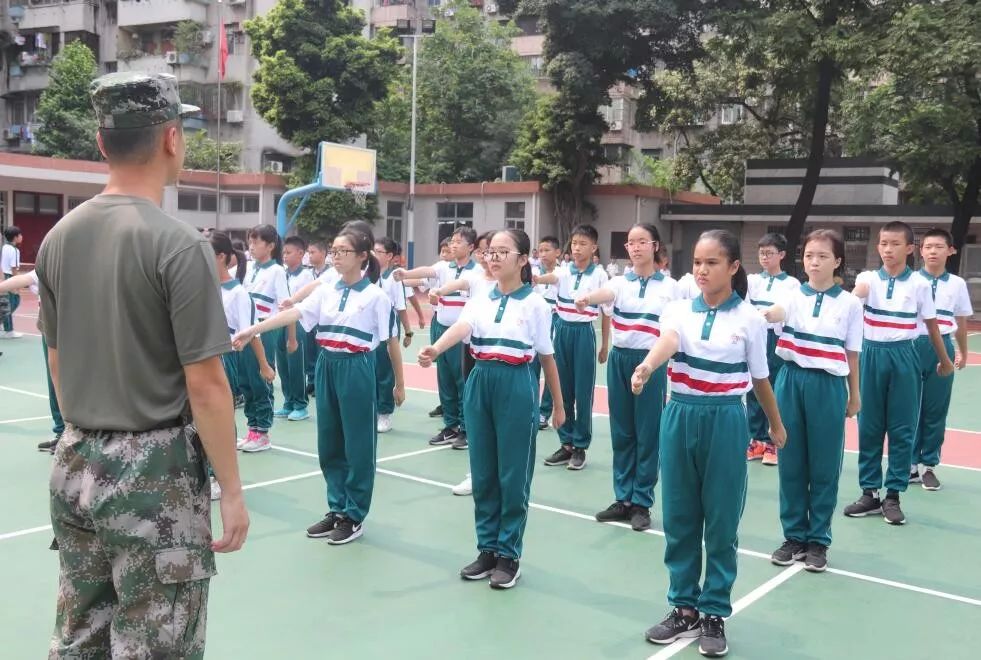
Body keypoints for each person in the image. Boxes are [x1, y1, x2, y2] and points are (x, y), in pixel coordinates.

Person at [36, 72, 248, 658]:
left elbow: (58, 360)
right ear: (173, 139)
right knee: (158, 644)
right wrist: (230, 490)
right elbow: (205, 383)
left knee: (80, 637)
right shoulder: (178, 244)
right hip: (153, 474)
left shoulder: (57, 238)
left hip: (75, 460)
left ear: (102, 144)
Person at [633, 229, 785, 658]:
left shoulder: (751, 319)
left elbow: (760, 378)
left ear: (734, 267)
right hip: (679, 414)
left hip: (725, 419)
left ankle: (714, 611)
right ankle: (683, 608)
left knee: (720, 520)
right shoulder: (678, 310)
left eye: (712, 262)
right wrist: (646, 366)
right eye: (697, 262)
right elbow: (670, 342)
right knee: (680, 516)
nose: (701, 270)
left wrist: (775, 425)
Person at [235, 228, 405, 545]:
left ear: (363, 256)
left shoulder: (375, 297)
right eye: (333, 251)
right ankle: (337, 508)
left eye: (343, 251)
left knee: (358, 444)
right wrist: (252, 330)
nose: (335, 257)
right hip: (328, 364)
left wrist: (399, 384)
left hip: (356, 367)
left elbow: (391, 343)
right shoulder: (327, 289)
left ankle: (354, 515)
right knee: (329, 442)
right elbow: (294, 312)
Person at [418, 229, 564, 589]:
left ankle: (508, 554)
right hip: (480, 381)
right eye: (491, 252)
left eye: (503, 251)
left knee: (512, 475)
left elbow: (547, 358)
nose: (494, 257)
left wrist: (558, 406)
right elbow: (463, 327)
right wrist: (436, 348)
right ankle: (487, 549)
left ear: (522, 259)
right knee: (483, 472)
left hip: (516, 384)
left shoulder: (536, 305)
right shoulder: (481, 296)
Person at [762, 229, 863, 572]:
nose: (814, 261)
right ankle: (794, 536)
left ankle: (818, 540)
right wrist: (761, 316)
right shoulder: (792, 294)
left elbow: (851, 354)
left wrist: (855, 393)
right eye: (808, 255)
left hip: (828, 386)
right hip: (790, 380)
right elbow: (775, 312)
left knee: (823, 466)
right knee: (790, 460)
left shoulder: (850, 303)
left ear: (837, 261)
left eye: (822, 255)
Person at [845, 221, 953, 525]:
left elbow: (931, 327)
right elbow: (852, 308)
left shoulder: (919, 285)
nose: (887, 249)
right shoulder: (867, 279)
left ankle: (893, 495)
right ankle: (869, 493)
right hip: (871, 356)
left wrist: (944, 360)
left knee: (902, 427)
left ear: (909, 249)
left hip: (906, 355)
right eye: (883, 243)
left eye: (894, 244)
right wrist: (858, 293)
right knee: (869, 427)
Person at [575, 224, 677, 532]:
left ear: (655, 245)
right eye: (631, 242)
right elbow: (607, 294)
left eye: (642, 241)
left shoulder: (670, 288)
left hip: (649, 362)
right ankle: (623, 498)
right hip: (620, 359)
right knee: (622, 432)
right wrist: (588, 298)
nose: (635, 247)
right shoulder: (620, 282)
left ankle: (642, 501)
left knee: (648, 433)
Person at [394, 227, 480, 448]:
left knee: (463, 382)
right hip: (442, 330)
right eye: (452, 241)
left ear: (471, 247)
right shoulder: (443, 267)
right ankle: (450, 425)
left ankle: (467, 428)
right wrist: (406, 273)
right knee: (445, 379)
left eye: (459, 242)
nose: (453, 245)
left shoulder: (478, 272)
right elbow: (426, 271)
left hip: (464, 334)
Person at [534, 224, 611, 471]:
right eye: (574, 243)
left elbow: (606, 313)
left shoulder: (599, 275)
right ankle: (565, 443)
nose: (577, 248)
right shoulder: (564, 271)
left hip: (583, 335)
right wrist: (535, 278)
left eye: (583, 244)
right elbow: (553, 278)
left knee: (583, 393)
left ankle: (580, 446)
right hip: (562, 333)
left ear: (594, 248)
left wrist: (604, 345)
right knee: (562, 391)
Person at [211, 232, 275, 499]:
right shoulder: (202, 287)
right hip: (200, 357)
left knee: (221, 419)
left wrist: (264, 365)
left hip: (223, 358)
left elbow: (251, 333)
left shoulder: (238, 293)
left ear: (222, 257)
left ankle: (220, 478)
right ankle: (205, 472)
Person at [911, 228, 972, 491]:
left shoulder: (957, 284)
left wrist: (963, 352)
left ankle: (929, 466)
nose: (933, 251)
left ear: (951, 250)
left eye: (938, 246)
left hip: (942, 347)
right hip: (912, 347)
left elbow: (960, 322)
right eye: (928, 247)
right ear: (920, 251)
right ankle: (909, 464)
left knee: (936, 408)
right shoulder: (910, 280)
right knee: (909, 407)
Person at [746, 233, 801, 466]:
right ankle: (756, 439)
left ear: (782, 255)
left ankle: (772, 441)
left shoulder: (792, 284)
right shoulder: (752, 281)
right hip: (754, 336)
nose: (765, 257)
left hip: (775, 338)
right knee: (752, 387)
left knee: (774, 387)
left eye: (769, 253)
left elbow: (790, 314)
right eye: (761, 253)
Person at [238, 224, 290, 452]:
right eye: (249, 241)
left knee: (261, 377)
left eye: (255, 242)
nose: (251, 246)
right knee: (245, 380)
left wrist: (291, 337)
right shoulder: (247, 268)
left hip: (265, 330)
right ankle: (252, 428)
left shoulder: (277, 271)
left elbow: (285, 305)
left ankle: (263, 432)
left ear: (270, 246)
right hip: (245, 328)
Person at [0, 270, 64, 450]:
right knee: (54, 381)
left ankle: (72, 434)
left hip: (67, 326)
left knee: (62, 380)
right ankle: (62, 432)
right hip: (50, 327)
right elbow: (27, 278)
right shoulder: (51, 258)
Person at [373, 237, 413, 434]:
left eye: (379, 251)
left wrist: (408, 331)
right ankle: (372, 409)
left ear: (389, 256)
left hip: (387, 329)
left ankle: (384, 413)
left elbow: (401, 307)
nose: (374, 254)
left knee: (384, 373)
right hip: (369, 329)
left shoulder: (394, 278)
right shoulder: (367, 274)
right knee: (370, 372)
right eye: (373, 251)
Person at [276, 236, 312, 422]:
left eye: (288, 253)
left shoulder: (306, 275)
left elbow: (305, 302)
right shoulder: (282, 273)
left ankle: (300, 404)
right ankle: (288, 401)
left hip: (297, 323)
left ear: (300, 253)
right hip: (280, 321)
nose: (285, 256)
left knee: (296, 364)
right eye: (283, 252)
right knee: (283, 364)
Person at [533, 236, 560, 430]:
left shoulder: (564, 273)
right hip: (536, 323)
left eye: (546, 250)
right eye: (540, 251)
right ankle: (531, 409)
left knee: (550, 367)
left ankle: (544, 411)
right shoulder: (533, 272)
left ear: (557, 252)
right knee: (531, 367)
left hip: (556, 321)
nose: (542, 254)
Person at [1, 225, 23, 339]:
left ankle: (5, 326)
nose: (21, 237)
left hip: (4, 276)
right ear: (15, 237)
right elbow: (14, 268)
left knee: (6, 303)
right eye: (20, 235)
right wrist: (17, 285)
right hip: (10, 277)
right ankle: (8, 330)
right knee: (13, 302)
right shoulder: (15, 250)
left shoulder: (4, 247)